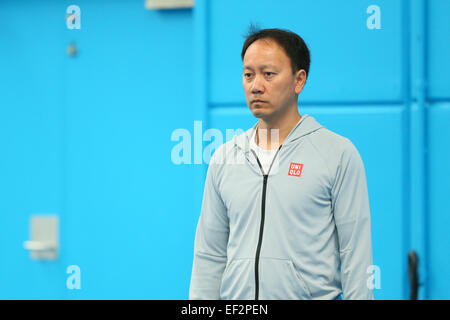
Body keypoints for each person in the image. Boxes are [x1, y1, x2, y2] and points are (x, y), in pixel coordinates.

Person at [189, 27, 373, 300]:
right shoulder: (225, 158)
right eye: (248, 74)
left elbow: (355, 254)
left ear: (299, 81)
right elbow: (209, 254)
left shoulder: (338, 153)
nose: (256, 86)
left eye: (268, 74)